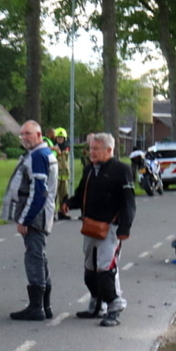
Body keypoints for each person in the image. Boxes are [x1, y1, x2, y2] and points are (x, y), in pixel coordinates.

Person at [62, 133, 136, 327]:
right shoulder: (88, 170)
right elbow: (81, 195)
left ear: (109, 150)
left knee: (106, 270)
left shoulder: (122, 170)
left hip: (110, 229)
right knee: (90, 271)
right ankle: (96, 305)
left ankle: (115, 307)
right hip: (90, 227)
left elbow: (129, 202)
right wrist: (69, 203)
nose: (91, 152)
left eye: (96, 149)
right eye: (91, 149)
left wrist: (124, 227)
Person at [1, 120, 58, 321]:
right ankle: (45, 306)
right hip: (42, 213)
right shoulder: (40, 154)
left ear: (39, 135)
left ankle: (37, 308)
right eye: (22, 134)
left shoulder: (38, 156)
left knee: (34, 257)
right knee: (39, 256)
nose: (24, 137)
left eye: (28, 134)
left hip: (36, 215)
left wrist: (25, 218)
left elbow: (39, 192)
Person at [52, 128, 72, 220]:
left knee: (64, 196)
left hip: (64, 176)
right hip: (55, 175)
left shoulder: (66, 148)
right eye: (58, 138)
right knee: (54, 196)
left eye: (62, 138)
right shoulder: (53, 148)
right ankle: (52, 215)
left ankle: (62, 213)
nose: (60, 140)